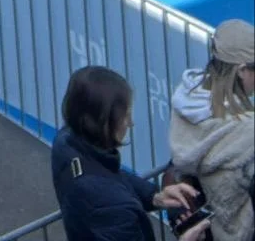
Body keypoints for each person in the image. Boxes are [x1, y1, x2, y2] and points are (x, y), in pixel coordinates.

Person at [52, 66, 208, 240]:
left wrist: (154, 196)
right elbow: (105, 187)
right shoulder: (113, 209)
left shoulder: (66, 141)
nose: (131, 123)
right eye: (125, 116)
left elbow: (109, 175)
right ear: (104, 122)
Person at [168, 20, 255, 241]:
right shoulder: (247, 132)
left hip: (205, 231)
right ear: (242, 71)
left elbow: (176, 167)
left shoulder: (187, 100)